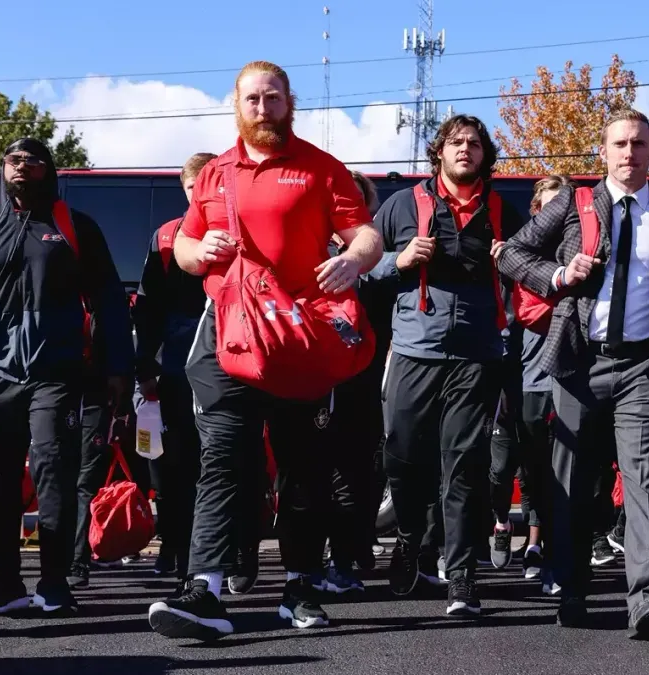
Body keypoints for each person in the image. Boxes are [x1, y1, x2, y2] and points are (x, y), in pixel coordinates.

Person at [147, 61, 381, 640]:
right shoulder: (215, 174)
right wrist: (196, 253)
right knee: (223, 460)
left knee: (302, 467)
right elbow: (185, 242)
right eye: (251, 99)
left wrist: (353, 261)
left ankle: (299, 584)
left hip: (296, 339)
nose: (261, 108)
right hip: (226, 340)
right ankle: (205, 589)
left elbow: (367, 235)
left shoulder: (321, 169)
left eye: (271, 98)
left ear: (289, 103)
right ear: (236, 105)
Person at [496, 109, 649, 639]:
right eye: (619, 143)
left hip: (645, 365)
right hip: (579, 362)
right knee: (570, 485)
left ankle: (646, 600)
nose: (629, 152)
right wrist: (556, 274)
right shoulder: (574, 204)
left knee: (646, 482)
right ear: (603, 152)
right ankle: (572, 590)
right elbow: (512, 254)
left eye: (639, 144)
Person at [372, 114, 524, 617]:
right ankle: (410, 538)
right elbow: (358, 265)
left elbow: (533, 275)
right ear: (439, 151)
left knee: (463, 465)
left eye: (475, 144)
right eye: (456, 142)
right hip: (415, 350)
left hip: (477, 356)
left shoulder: (505, 210)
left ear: (485, 154)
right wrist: (397, 260)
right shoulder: (402, 205)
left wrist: (514, 261)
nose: (465, 150)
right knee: (403, 454)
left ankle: (461, 576)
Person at [0, 138, 132, 615]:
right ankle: (6, 583)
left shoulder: (75, 228)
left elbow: (110, 301)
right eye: (13, 159)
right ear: (1, 171)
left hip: (56, 371)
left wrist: (118, 369)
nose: (22, 166)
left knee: (53, 472)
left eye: (33, 159)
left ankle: (53, 582)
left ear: (49, 170)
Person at [129, 153, 215, 593]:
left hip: (225, 365)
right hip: (175, 369)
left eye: (207, 184)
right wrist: (145, 367)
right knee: (173, 465)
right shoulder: (165, 238)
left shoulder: (238, 233)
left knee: (221, 464)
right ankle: (177, 550)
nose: (199, 194)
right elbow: (147, 310)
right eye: (190, 187)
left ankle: (222, 556)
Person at [488, 175, 571, 581]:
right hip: (513, 380)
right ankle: (501, 522)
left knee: (544, 473)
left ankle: (539, 547)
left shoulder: (576, 259)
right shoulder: (512, 258)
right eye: (549, 207)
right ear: (536, 212)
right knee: (501, 469)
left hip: (556, 383)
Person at [321, 169, 387, 592]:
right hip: (319, 379)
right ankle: (320, 559)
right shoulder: (316, 252)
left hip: (366, 377)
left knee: (361, 470)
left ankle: (347, 554)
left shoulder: (378, 258)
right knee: (316, 472)